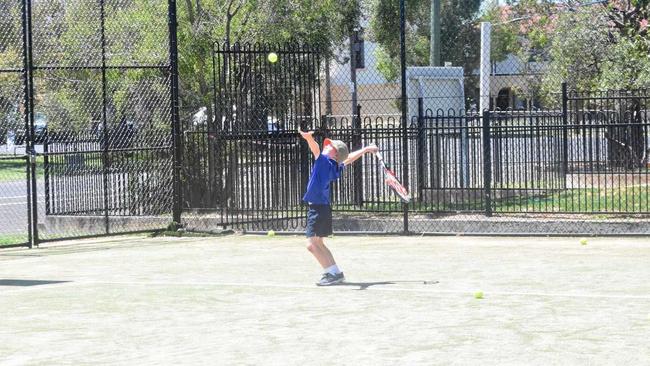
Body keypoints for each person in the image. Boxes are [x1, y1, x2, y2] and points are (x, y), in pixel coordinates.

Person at [298, 129, 378, 286]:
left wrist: (308, 138)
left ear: (334, 155)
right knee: (318, 243)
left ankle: (331, 273)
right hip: (322, 208)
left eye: (331, 147)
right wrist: (366, 149)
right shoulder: (335, 166)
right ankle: (335, 273)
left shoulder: (322, 161)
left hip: (318, 209)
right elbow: (349, 159)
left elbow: (315, 148)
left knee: (311, 245)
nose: (326, 146)